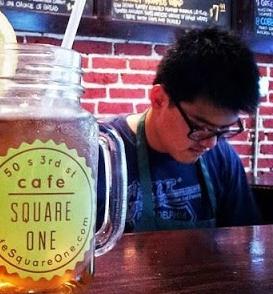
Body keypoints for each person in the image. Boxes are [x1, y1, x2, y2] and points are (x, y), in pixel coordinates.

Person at [99, 27, 262, 232]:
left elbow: (245, 239)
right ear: (159, 99)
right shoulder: (101, 152)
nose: (210, 143)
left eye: (222, 130)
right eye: (199, 126)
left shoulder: (222, 158)